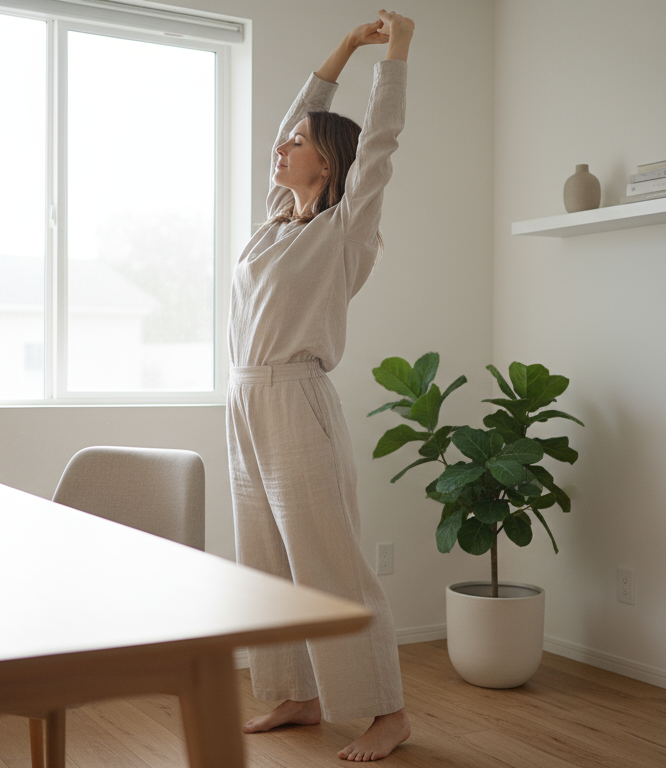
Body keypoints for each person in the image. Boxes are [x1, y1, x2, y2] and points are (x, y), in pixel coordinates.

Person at [225, 9, 415, 763]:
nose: (283, 146)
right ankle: (295, 694)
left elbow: (383, 142)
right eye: (287, 138)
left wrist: (395, 52)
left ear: (331, 166)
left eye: (300, 143)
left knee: (329, 561)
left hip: (298, 398)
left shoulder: (346, 230)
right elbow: (292, 116)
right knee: (264, 558)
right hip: (244, 397)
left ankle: (387, 711)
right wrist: (339, 49)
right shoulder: (277, 223)